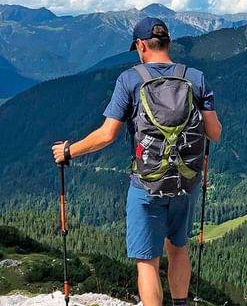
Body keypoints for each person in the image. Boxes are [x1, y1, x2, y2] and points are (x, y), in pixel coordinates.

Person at [51, 16, 222, 306]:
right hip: (186, 183)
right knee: (178, 248)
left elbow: (108, 135)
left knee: (148, 261)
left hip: (146, 186)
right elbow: (214, 133)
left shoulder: (130, 79)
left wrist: (69, 151)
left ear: (141, 45)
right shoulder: (195, 78)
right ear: (167, 42)